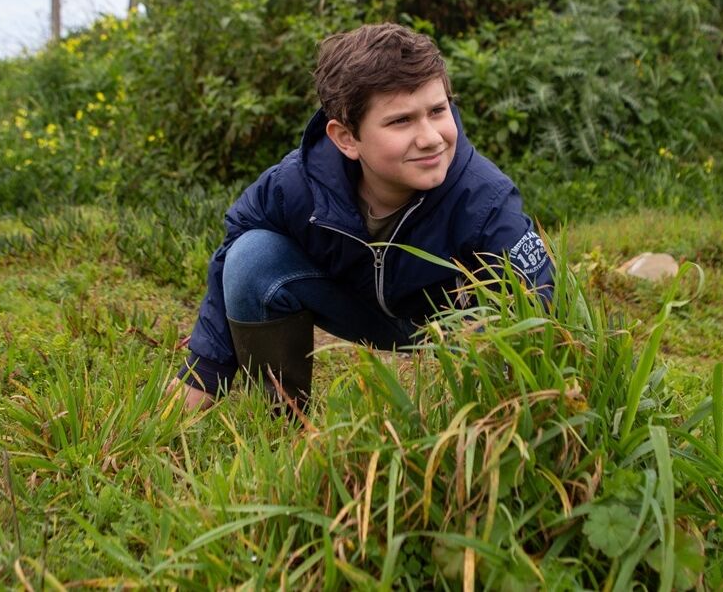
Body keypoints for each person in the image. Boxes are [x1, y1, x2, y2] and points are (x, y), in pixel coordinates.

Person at [170, 22, 555, 412]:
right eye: (401, 121)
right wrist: (207, 369)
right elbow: (238, 236)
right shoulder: (297, 184)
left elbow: (537, 305)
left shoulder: (485, 198)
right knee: (251, 253)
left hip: (453, 329)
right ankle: (281, 415)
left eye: (438, 111)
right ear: (346, 138)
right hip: (358, 309)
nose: (431, 137)